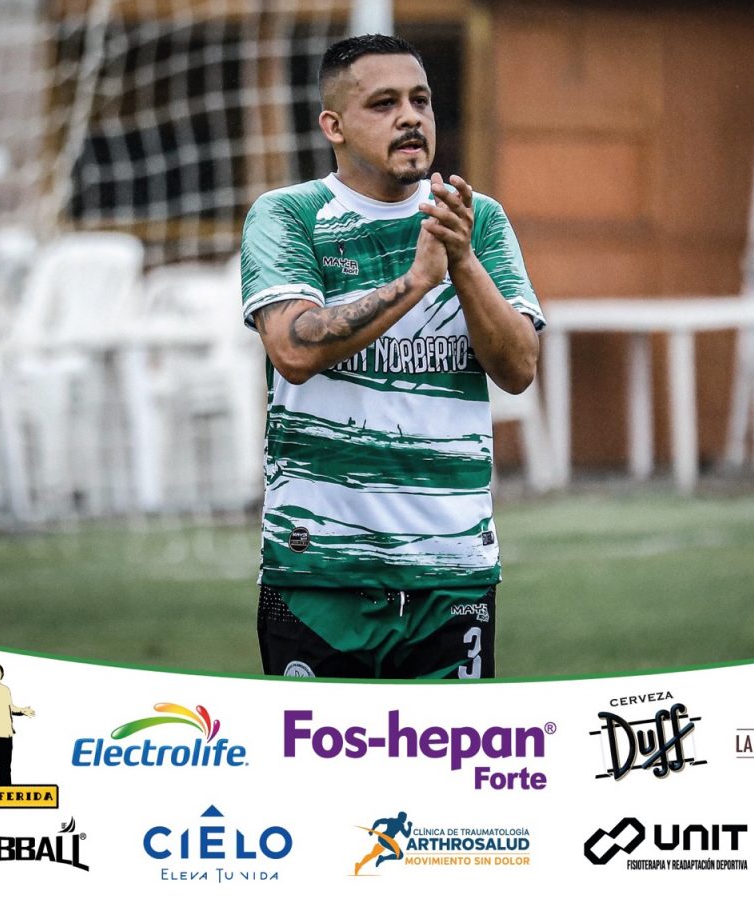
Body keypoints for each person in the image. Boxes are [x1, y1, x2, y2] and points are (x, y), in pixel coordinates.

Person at [240, 34, 543, 679]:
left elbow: (519, 369)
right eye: (384, 104)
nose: (411, 117)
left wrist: (462, 262)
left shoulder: (477, 220)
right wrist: (416, 281)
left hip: (452, 573)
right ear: (334, 126)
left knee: (445, 751)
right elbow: (293, 348)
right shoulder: (289, 216)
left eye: (420, 100)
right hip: (319, 573)